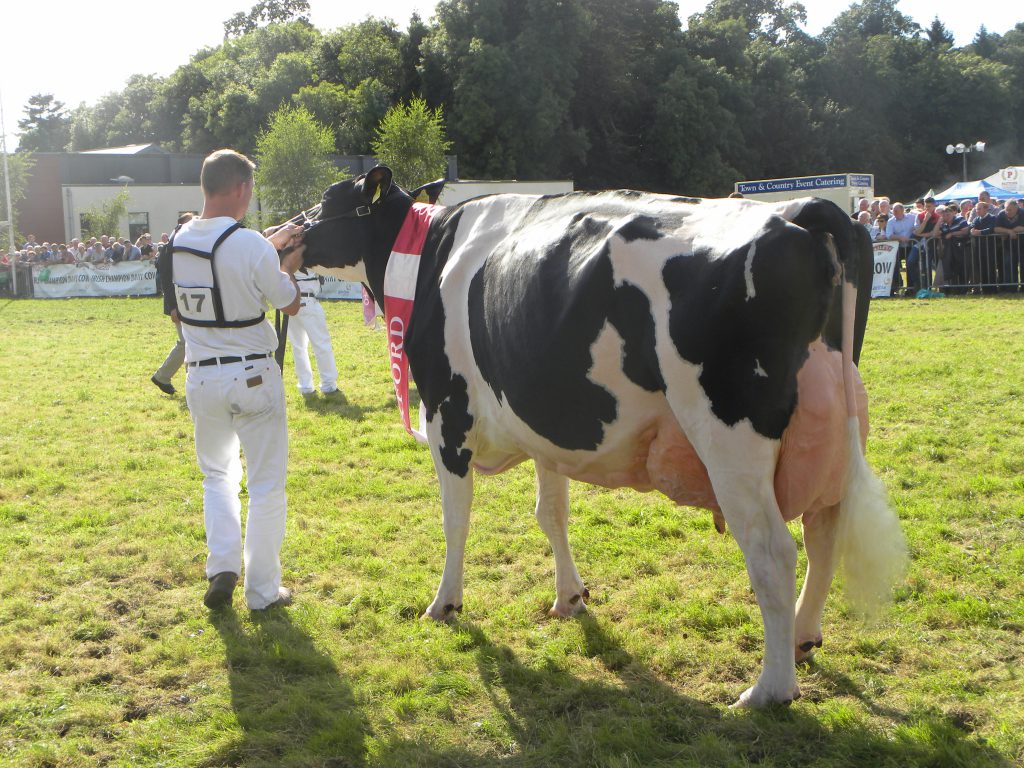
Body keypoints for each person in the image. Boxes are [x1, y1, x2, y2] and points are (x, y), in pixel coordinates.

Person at [165, 148, 305, 611]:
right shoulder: (252, 245)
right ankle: (262, 591)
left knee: (216, 476)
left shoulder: (178, 240)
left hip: (201, 377)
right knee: (266, 485)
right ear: (242, 188)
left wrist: (267, 245)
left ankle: (222, 567)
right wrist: (284, 258)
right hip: (252, 374)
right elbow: (288, 302)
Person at [152, 214, 195, 395]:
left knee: (189, 342)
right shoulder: (169, 250)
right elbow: (167, 281)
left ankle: (170, 377)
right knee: (187, 343)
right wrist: (172, 307)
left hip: (187, 302)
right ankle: (164, 376)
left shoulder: (179, 247)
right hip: (177, 304)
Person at [283, 265, 340, 398]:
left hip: (291, 301)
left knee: (298, 347)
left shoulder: (285, 252)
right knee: (322, 344)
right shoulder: (306, 251)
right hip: (308, 300)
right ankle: (328, 385)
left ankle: (305, 386)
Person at [885, 203, 916, 294]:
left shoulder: (912, 218)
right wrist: (900, 238)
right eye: (893, 211)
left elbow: (917, 226)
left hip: (911, 246)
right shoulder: (891, 221)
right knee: (895, 266)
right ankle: (896, 286)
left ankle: (910, 289)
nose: (894, 213)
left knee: (910, 266)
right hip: (898, 247)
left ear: (902, 210)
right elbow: (889, 235)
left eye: (896, 211)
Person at [994, 199, 1024, 289]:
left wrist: (1018, 230)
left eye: (1010, 210)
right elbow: (996, 229)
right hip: (1008, 245)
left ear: (1016, 208)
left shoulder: (1022, 213)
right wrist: (1009, 231)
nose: (1007, 212)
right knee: (1009, 266)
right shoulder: (1001, 214)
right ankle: (1011, 288)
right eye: (1006, 209)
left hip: (1022, 245)